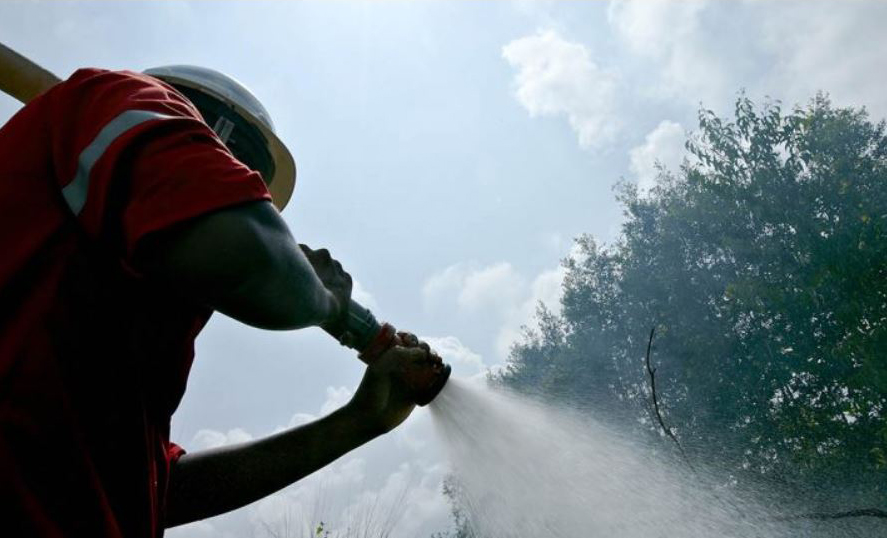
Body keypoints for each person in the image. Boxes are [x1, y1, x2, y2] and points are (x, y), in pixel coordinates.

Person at [0, 66, 432, 536]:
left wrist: (357, 422)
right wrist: (326, 301)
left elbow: (156, 491)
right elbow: (245, 257)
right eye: (238, 180)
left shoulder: (119, 334)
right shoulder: (116, 97)